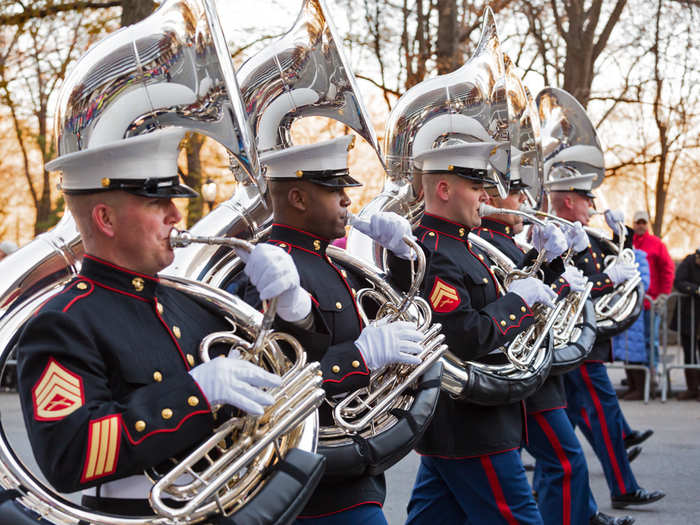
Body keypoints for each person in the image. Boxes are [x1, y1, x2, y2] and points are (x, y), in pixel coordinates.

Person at [15, 128, 321, 519]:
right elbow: (70, 454)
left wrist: (293, 306)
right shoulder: (65, 321)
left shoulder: (191, 301)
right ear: (105, 218)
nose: (176, 215)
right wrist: (194, 393)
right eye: (156, 202)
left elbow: (286, 375)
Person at [234, 135, 425, 525]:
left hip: (354, 470)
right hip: (316, 479)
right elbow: (271, 378)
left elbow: (399, 313)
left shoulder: (334, 261)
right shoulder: (269, 267)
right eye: (335, 189)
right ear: (299, 199)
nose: (347, 200)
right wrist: (359, 358)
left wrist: (403, 256)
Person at [404, 142, 566, 525]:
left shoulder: (463, 245)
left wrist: (549, 263)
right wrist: (520, 303)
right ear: (444, 190)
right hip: (471, 426)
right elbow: (467, 336)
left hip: (467, 426)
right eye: (475, 185)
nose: (484, 195)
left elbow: (497, 301)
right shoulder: (433, 251)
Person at [475, 175, 634, 525]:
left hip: (538, 370)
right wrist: (563, 276)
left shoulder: (502, 242)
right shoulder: (486, 243)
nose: (525, 202)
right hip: (521, 373)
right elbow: (519, 304)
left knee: (442, 498)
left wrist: (559, 263)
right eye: (517, 194)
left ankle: (589, 510)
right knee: (564, 460)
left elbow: (539, 290)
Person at [548, 182, 665, 510]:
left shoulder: (584, 233)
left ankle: (584, 505)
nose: (591, 205)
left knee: (563, 435)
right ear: (569, 201)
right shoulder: (557, 234)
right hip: (576, 343)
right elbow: (573, 286)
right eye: (586, 199)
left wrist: (621, 234)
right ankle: (621, 486)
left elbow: (603, 263)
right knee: (601, 416)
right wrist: (608, 280)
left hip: (584, 343)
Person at [630, 210, 674, 393]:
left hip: (651, 302)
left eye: (643, 222)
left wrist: (664, 294)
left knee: (651, 341)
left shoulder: (656, 244)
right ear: (634, 224)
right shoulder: (629, 243)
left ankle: (653, 375)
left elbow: (668, 269)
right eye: (637, 222)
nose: (640, 225)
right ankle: (636, 379)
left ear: (647, 224)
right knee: (632, 344)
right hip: (632, 303)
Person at [612, 249, 651, 400]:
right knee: (625, 351)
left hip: (632, 307)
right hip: (619, 308)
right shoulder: (615, 254)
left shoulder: (639, 257)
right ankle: (632, 386)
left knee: (634, 349)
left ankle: (640, 389)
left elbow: (644, 282)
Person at [670, 248, 700, 400]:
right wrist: (697, 290)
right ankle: (692, 388)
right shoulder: (688, 262)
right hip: (688, 316)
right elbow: (679, 282)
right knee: (689, 353)